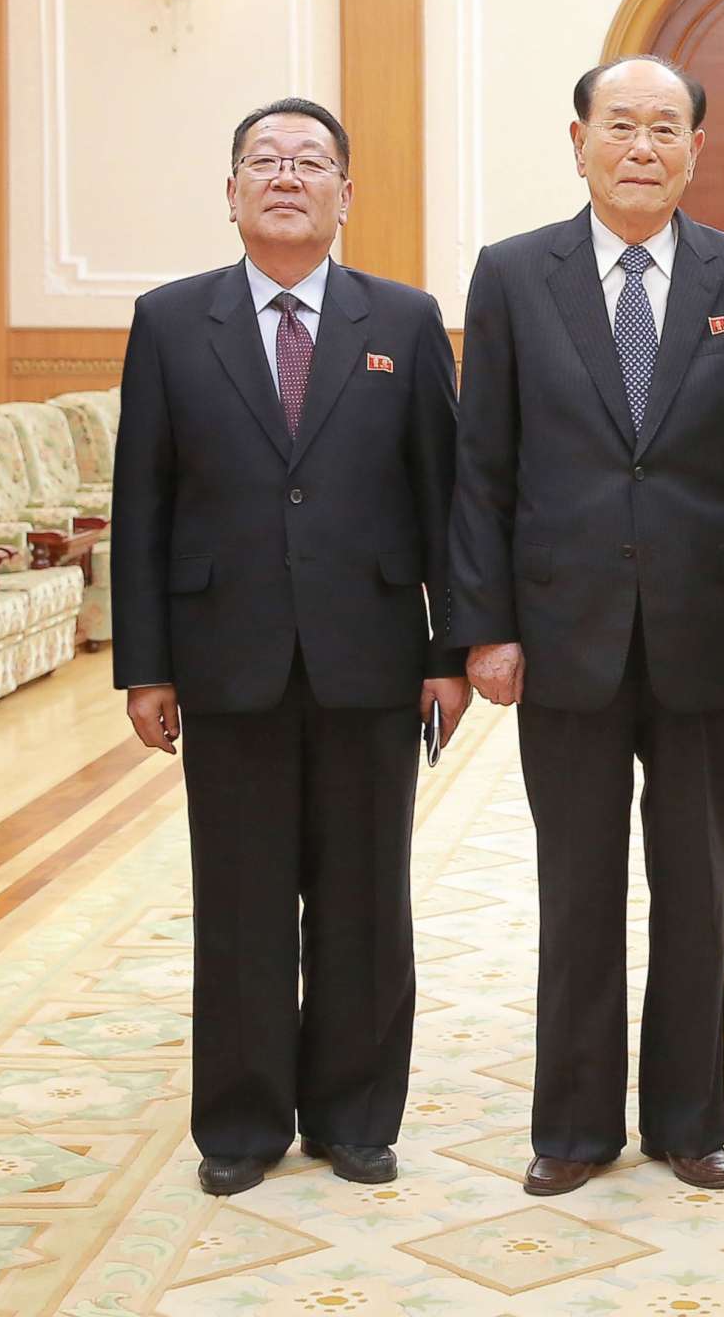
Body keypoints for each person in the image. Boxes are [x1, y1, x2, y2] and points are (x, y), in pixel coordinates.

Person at [450, 55, 724, 1198]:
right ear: (578, 141)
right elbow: (483, 470)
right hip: (560, 631)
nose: (642, 147)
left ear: (695, 150)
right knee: (576, 884)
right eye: (621, 126)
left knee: (694, 879)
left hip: (695, 628)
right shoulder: (515, 275)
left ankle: (686, 1118)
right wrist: (485, 627)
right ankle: (570, 1126)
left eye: (667, 129)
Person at [112, 96, 471, 1197]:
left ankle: (358, 1117)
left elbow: (444, 497)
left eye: (310, 162)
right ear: (229, 194)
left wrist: (448, 649)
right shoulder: (172, 322)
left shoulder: (402, 322)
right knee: (240, 899)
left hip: (369, 654)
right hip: (228, 657)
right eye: (262, 160)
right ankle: (241, 1123)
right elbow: (144, 503)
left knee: (366, 899)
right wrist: (145, 665)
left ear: (345, 195)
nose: (285, 176)